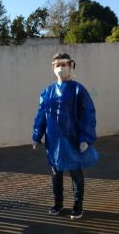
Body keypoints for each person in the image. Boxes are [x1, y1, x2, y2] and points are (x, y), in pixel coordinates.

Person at [32, 53, 99, 220]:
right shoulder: (47, 92)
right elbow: (41, 115)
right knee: (56, 172)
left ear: (71, 66)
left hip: (73, 138)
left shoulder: (78, 90)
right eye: (57, 65)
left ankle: (78, 205)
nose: (60, 68)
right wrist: (36, 134)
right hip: (53, 140)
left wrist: (85, 137)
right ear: (53, 68)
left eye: (64, 64)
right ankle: (58, 203)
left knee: (75, 171)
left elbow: (88, 114)